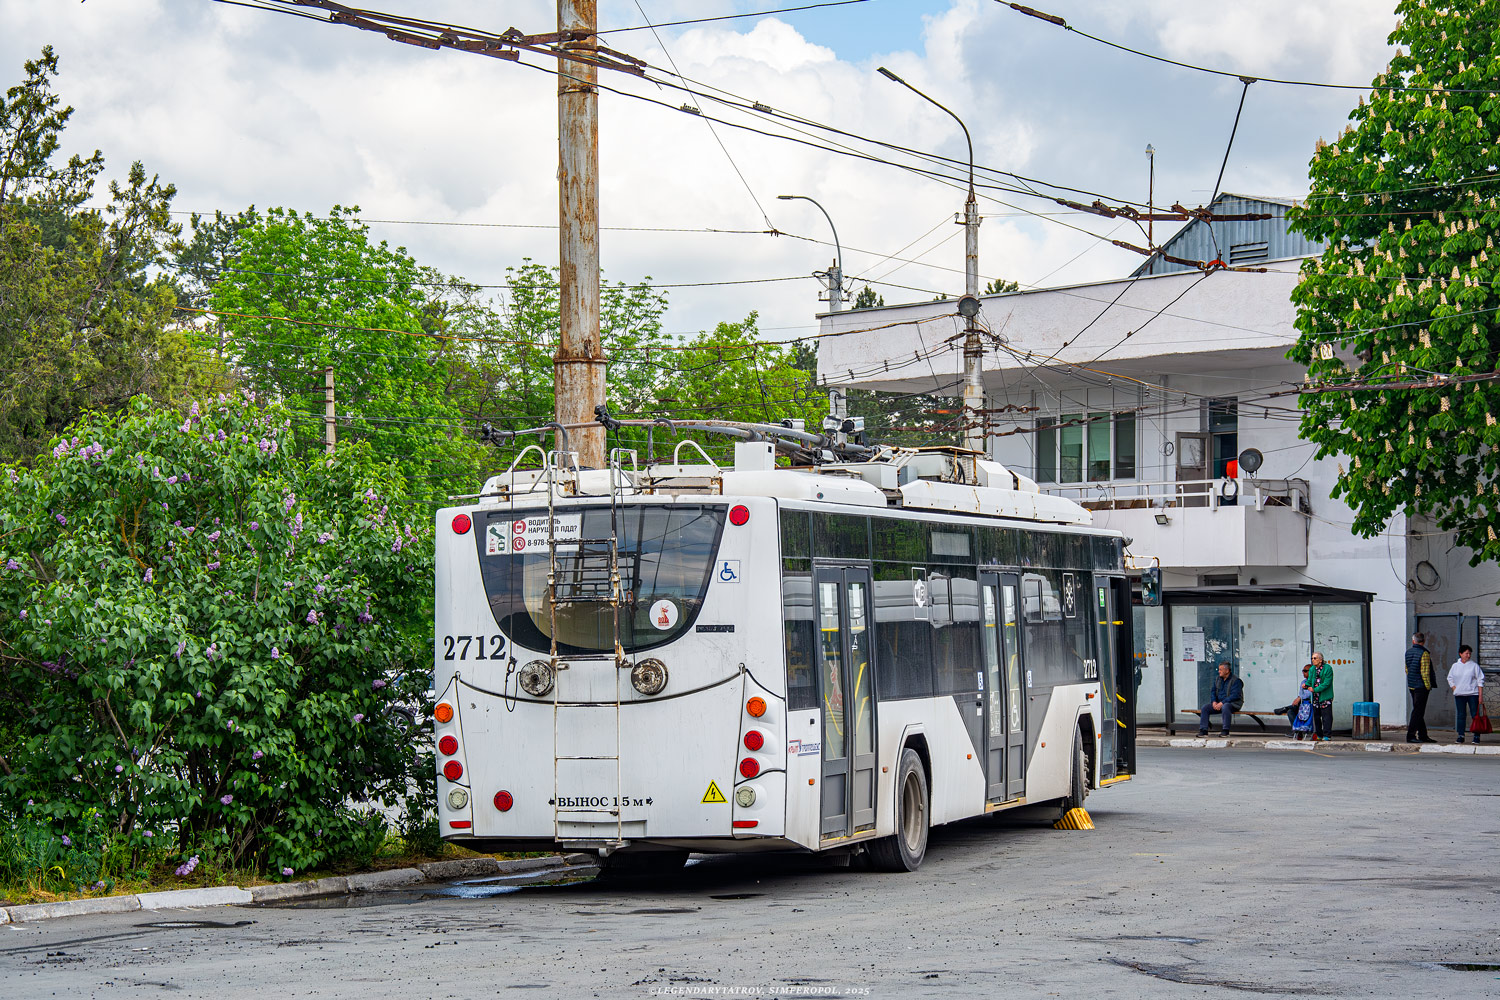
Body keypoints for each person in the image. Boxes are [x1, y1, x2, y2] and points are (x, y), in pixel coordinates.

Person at [1448, 644, 1485, 744]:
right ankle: (1461, 735)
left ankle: (1476, 736)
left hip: (1473, 694)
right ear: (1460, 654)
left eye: (1469, 653)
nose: (1468, 655)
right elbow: (1450, 678)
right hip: (1459, 695)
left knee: (1475, 715)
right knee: (1461, 715)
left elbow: (1480, 680)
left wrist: (1480, 696)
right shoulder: (1455, 666)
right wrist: (1454, 688)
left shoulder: (1474, 666)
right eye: (1466, 653)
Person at [1404, 632, 1437, 744]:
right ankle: (1411, 735)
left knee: (1418, 710)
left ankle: (1423, 735)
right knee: (1417, 712)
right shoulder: (1424, 653)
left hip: (1412, 685)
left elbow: (1407, 669)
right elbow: (1425, 672)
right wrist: (1428, 686)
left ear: (1413, 641)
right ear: (1423, 641)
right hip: (1421, 687)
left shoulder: (1408, 652)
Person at [1197, 661, 1244, 737]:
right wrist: (1214, 701)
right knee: (1205, 708)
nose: (1219, 671)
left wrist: (1222, 703)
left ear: (1227, 670)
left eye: (1220, 670)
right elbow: (1213, 691)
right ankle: (1203, 730)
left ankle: (1225, 731)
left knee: (1226, 706)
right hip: (1219, 703)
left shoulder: (1236, 681)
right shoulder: (1218, 679)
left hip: (1233, 704)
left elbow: (1235, 695)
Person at [1272, 664, 1315, 740]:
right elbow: (1301, 693)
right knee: (1290, 712)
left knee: (1297, 706)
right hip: (1303, 705)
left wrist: (1300, 697)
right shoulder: (1303, 682)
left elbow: (1310, 694)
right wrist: (1300, 697)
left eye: (1305, 671)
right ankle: (1296, 730)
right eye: (1303, 671)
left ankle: (1285, 708)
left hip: (1311, 705)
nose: (1303, 673)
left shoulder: (1314, 682)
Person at [1307, 651, 1334, 741]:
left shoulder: (1328, 668)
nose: (1313, 660)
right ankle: (1319, 735)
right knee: (1317, 717)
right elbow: (1309, 680)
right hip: (1315, 697)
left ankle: (1327, 735)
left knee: (1326, 717)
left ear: (1320, 660)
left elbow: (1326, 683)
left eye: (1315, 658)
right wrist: (1306, 685)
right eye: (1312, 658)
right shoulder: (1312, 669)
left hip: (1325, 696)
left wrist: (1315, 689)